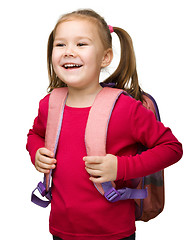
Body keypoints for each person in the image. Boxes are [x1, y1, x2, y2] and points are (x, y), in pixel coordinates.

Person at [26, 9, 183, 240]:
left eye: (81, 44)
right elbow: (34, 135)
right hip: (61, 229)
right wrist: (36, 152)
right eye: (60, 45)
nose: (69, 52)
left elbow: (171, 148)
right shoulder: (49, 104)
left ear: (105, 57)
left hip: (115, 233)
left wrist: (121, 168)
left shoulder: (126, 108)